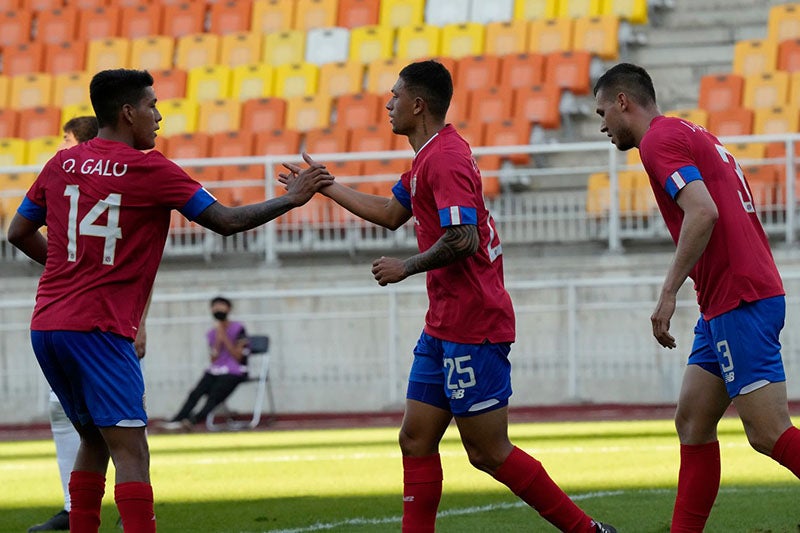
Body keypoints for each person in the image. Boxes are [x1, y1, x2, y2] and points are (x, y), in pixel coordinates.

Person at [283, 60, 616, 533]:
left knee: (487, 451)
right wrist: (326, 185)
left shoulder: (445, 159)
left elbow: (464, 239)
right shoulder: (428, 157)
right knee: (415, 438)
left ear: (418, 104)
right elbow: (391, 212)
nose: (387, 103)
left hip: (473, 324)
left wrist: (406, 267)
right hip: (443, 324)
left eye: (395, 95)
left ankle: (587, 531)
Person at [7, 68, 332, 533]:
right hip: (99, 330)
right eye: (151, 106)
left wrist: (69, 270)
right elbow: (224, 220)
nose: (158, 116)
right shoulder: (151, 168)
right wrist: (293, 199)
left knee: (92, 440)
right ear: (127, 112)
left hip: (48, 325)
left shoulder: (63, 163)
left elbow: (17, 232)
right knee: (132, 451)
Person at [593, 62, 800, 531]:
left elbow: (702, 212)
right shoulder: (687, 131)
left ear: (624, 102)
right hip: (726, 300)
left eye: (603, 112)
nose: (603, 125)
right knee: (692, 421)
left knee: (768, 434)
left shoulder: (658, 141)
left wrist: (668, 293)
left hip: (738, 298)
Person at [28, 115, 102, 533]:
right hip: (64, 311)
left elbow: (19, 230)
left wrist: (140, 321)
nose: (62, 149)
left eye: (67, 141)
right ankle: (74, 507)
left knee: (119, 425)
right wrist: (62, 267)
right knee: (68, 414)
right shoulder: (65, 184)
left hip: (102, 318)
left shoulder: (111, 185)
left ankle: (123, 509)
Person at [160, 296, 249, 430]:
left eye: (221, 306)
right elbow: (214, 358)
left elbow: (238, 357)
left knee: (215, 394)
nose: (218, 309)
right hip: (216, 369)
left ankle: (193, 421)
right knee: (196, 393)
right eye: (215, 307)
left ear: (229, 309)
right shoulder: (212, 333)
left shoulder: (239, 329)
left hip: (235, 371)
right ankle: (177, 420)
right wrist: (218, 340)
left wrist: (224, 336)